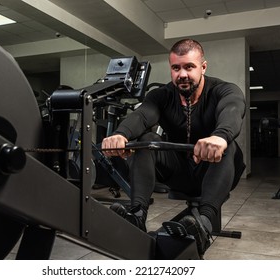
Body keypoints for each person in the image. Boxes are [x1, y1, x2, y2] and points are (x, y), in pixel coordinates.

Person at [101, 39, 246, 256]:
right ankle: (137, 215)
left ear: (203, 67)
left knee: (229, 146)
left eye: (189, 67)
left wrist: (220, 137)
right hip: (178, 173)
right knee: (147, 139)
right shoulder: (163, 95)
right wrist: (120, 135)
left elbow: (233, 109)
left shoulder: (223, 90)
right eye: (176, 68)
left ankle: (204, 226)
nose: (182, 74)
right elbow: (142, 116)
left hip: (213, 171)